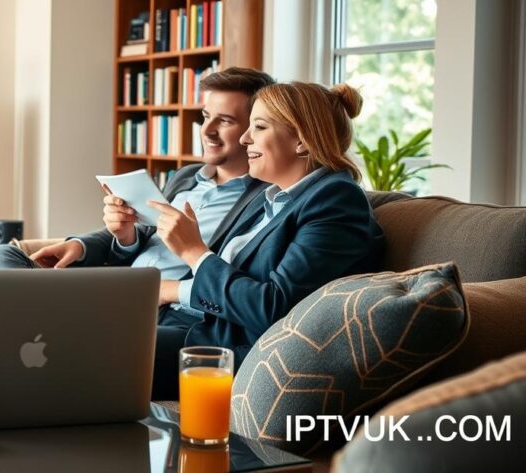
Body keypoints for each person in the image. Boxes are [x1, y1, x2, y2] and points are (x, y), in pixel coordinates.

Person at [145, 82, 384, 399]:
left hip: (224, 349)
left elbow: (274, 306)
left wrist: (194, 252)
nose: (245, 138)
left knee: (99, 348)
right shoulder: (269, 197)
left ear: (301, 140)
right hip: (187, 320)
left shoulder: (336, 200)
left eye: (258, 127)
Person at [0, 68, 276, 325]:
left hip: (169, 310)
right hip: (117, 289)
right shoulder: (187, 176)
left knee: (15, 308)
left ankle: (35, 323)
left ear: (252, 129)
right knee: (1, 256)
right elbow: (142, 237)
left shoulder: (264, 200)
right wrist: (108, 239)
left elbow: (234, 282)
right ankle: (41, 321)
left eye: (224, 121)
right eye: (205, 117)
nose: (207, 130)